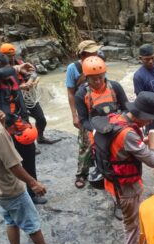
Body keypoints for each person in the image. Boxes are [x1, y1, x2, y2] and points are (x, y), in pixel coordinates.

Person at [0, 81, 70, 244]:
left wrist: (0, 122)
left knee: (10, 220)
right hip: (10, 188)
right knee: (31, 222)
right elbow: (13, 165)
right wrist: (33, 183)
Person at [100, 91, 154, 244]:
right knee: (132, 230)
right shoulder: (128, 134)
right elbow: (153, 161)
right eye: (150, 119)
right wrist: (152, 140)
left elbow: (124, 146)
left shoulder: (117, 119)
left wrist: (141, 143)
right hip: (126, 188)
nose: (149, 123)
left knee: (133, 224)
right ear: (142, 115)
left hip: (114, 181)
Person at [0, 51, 47, 205]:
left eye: (7, 65)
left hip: (21, 127)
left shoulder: (13, 76)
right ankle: (13, 194)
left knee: (29, 161)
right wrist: (14, 68)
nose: (7, 69)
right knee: (8, 165)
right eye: (3, 67)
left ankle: (32, 192)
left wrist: (26, 121)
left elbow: (20, 100)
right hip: (1, 131)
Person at [0, 43, 60, 145]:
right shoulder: (0, 69)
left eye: (13, 54)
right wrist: (20, 86)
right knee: (22, 123)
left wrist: (30, 81)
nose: (12, 57)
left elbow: (33, 72)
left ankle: (40, 137)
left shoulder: (19, 62)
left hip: (28, 97)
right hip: (15, 100)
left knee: (41, 119)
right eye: (9, 56)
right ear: (3, 56)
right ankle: (26, 144)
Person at [66, 40, 101, 188]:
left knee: (103, 142)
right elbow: (70, 93)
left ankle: (102, 170)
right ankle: (82, 173)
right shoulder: (73, 68)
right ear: (84, 54)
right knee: (86, 143)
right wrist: (74, 115)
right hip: (84, 110)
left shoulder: (99, 63)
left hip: (99, 107)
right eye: (93, 51)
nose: (97, 53)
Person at [75, 56, 128, 133]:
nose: (98, 81)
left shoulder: (115, 87)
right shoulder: (80, 94)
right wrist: (96, 131)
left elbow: (126, 109)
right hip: (95, 129)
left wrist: (120, 121)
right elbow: (83, 120)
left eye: (100, 77)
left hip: (118, 125)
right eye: (93, 79)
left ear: (104, 74)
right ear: (87, 78)